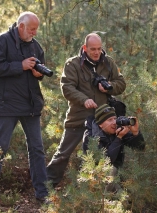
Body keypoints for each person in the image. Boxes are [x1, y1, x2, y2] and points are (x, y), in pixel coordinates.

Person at [0, 11, 49, 205]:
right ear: (21, 26)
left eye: (36, 29)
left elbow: (40, 73)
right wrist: (19, 65)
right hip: (9, 104)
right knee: (0, 148)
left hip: (31, 105)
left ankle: (42, 193)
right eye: (32, 29)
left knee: (37, 149)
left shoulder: (36, 47)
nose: (35, 33)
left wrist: (38, 73)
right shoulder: (1, 41)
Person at [46, 33, 126, 187]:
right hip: (79, 118)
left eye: (99, 49)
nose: (96, 52)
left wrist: (109, 87)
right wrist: (84, 99)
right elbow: (66, 87)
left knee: (104, 156)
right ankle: (46, 188)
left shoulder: (108, 63)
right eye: (92, 49)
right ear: (85, 48)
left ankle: (101, 192)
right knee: (63, 154)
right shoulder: (73, 64)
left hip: (102, 121)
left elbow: (121, 83)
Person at [83, 104, 145, 192]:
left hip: (115, 176)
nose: (114, 123)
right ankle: (103, 201)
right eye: (109, 120)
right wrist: (118, 138)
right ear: (100, 124)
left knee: (125, 199)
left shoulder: (118, 129)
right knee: (112, 170)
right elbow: (104, 162)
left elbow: (140, 148)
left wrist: (136, 133)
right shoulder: (90, 137)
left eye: (115, 119)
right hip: (94, 177)